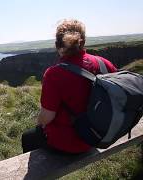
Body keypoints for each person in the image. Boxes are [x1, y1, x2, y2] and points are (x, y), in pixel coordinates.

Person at [21, 19, 117, 154]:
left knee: (27, 137)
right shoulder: (103, 63)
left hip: (72, 143)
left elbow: (46, 117)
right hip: (102, 134)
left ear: (56, 45)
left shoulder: (54, 74)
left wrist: (39, 124)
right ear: (83, 42)